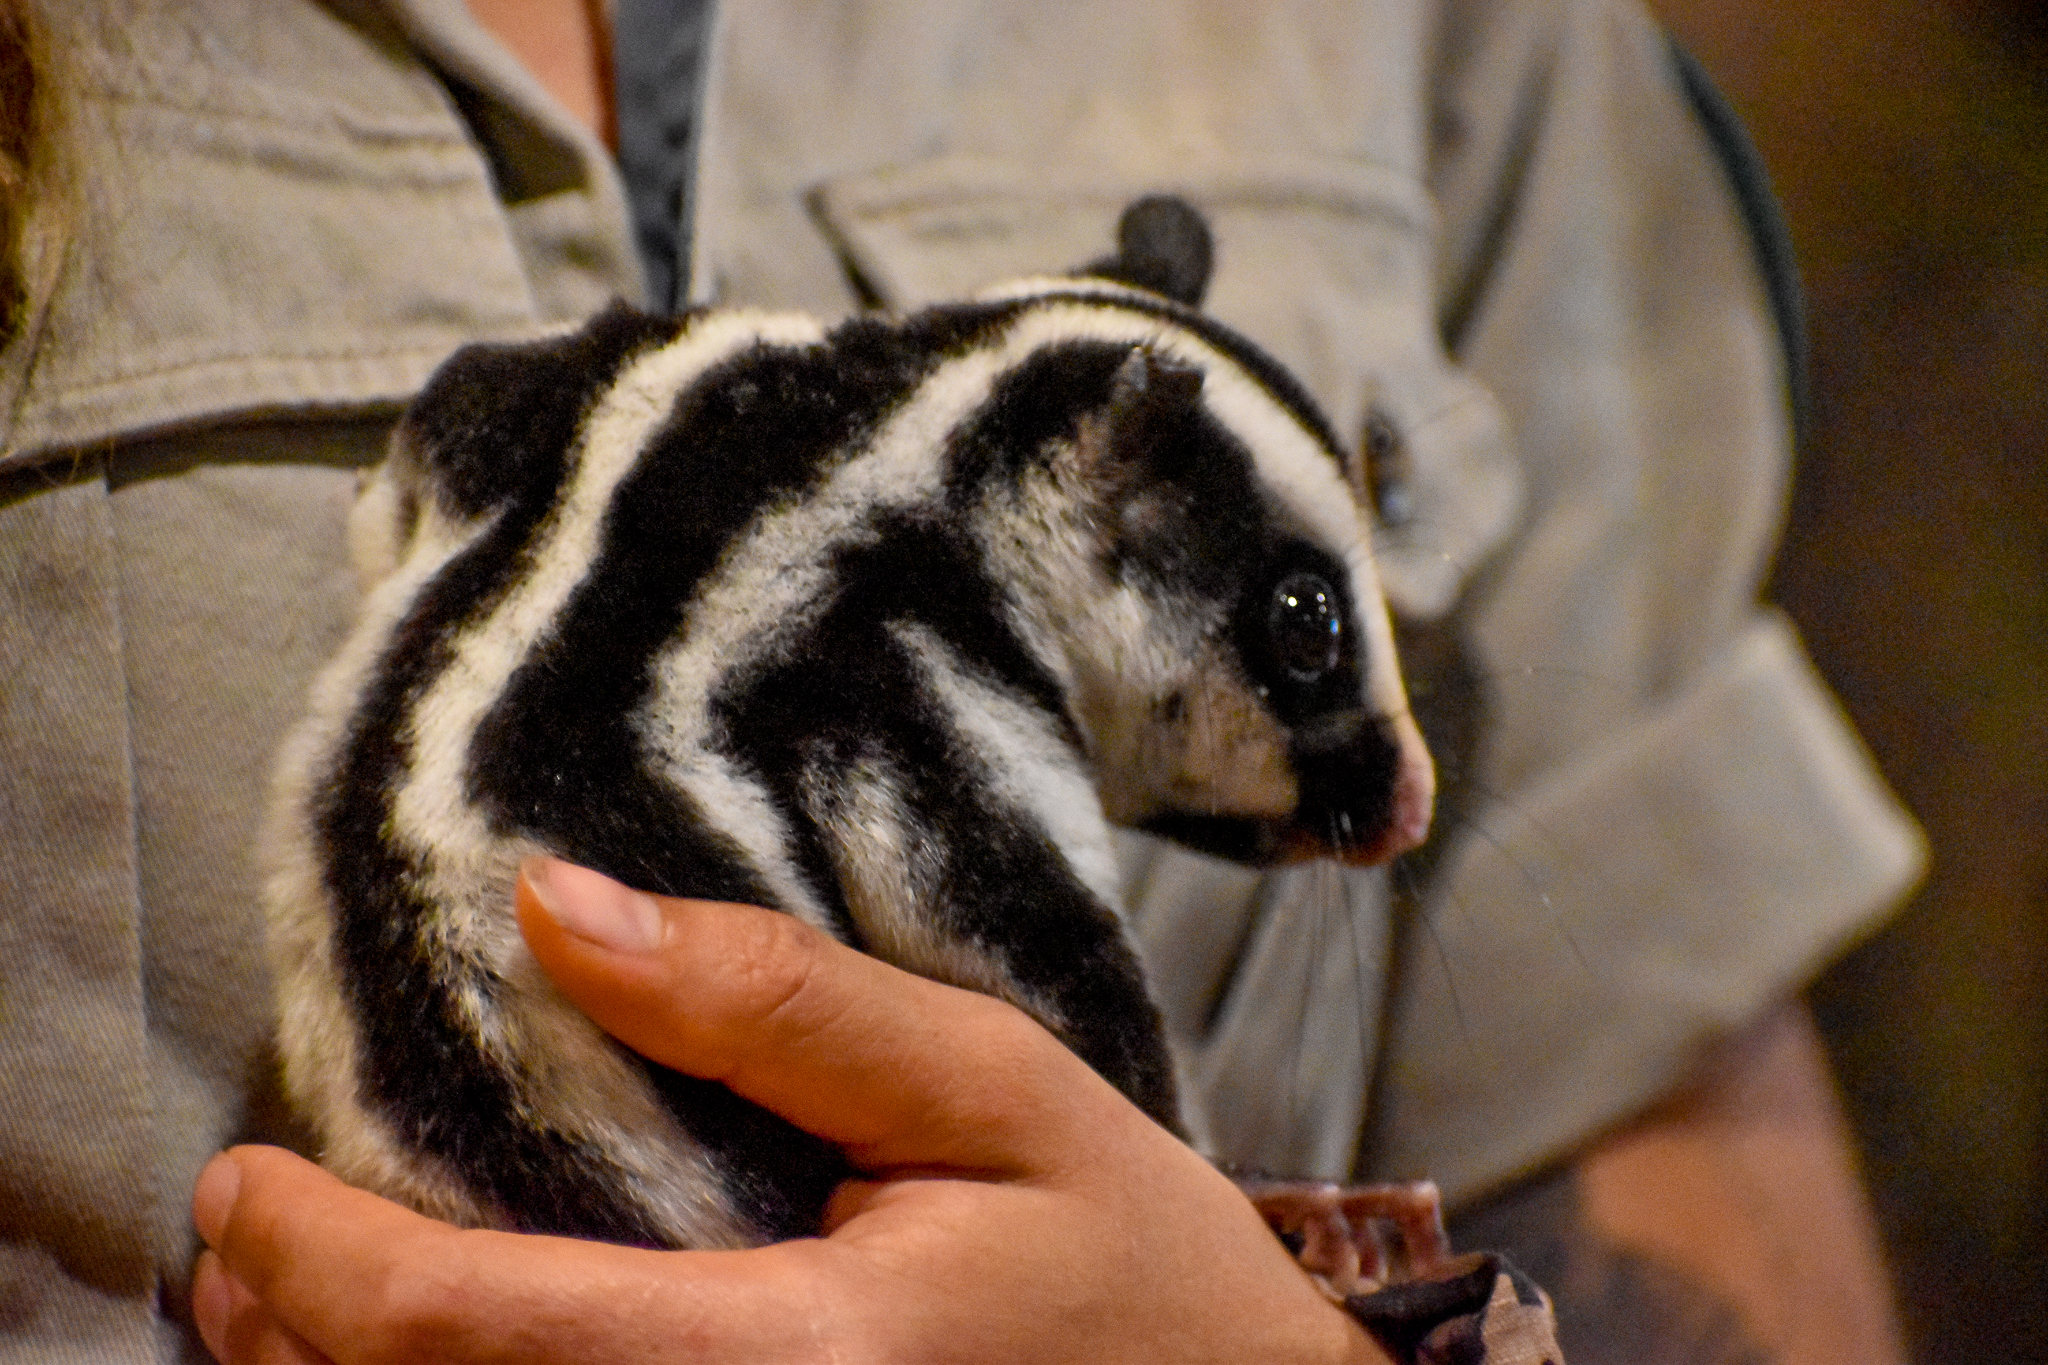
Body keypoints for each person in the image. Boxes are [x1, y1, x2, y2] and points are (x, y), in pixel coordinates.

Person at [0, 0, 1920, 1360]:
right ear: (1114, 497)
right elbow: (1034, 965)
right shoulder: (910, 651)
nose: (1393, 789)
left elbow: (1641, 1071)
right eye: (1304, 643)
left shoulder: (706, 420)